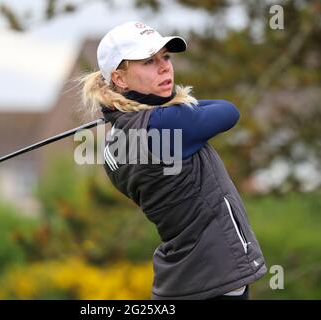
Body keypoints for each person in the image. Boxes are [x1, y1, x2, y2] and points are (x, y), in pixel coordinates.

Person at [79, 21, 267, 300]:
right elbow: (228, 112)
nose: (165, 67)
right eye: (148, 61)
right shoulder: (162, 126)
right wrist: (174, 103)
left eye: (165, 57)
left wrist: (152, 107)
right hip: (215, 278)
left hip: (184, 281)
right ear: (119, 78)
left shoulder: (115, 141)